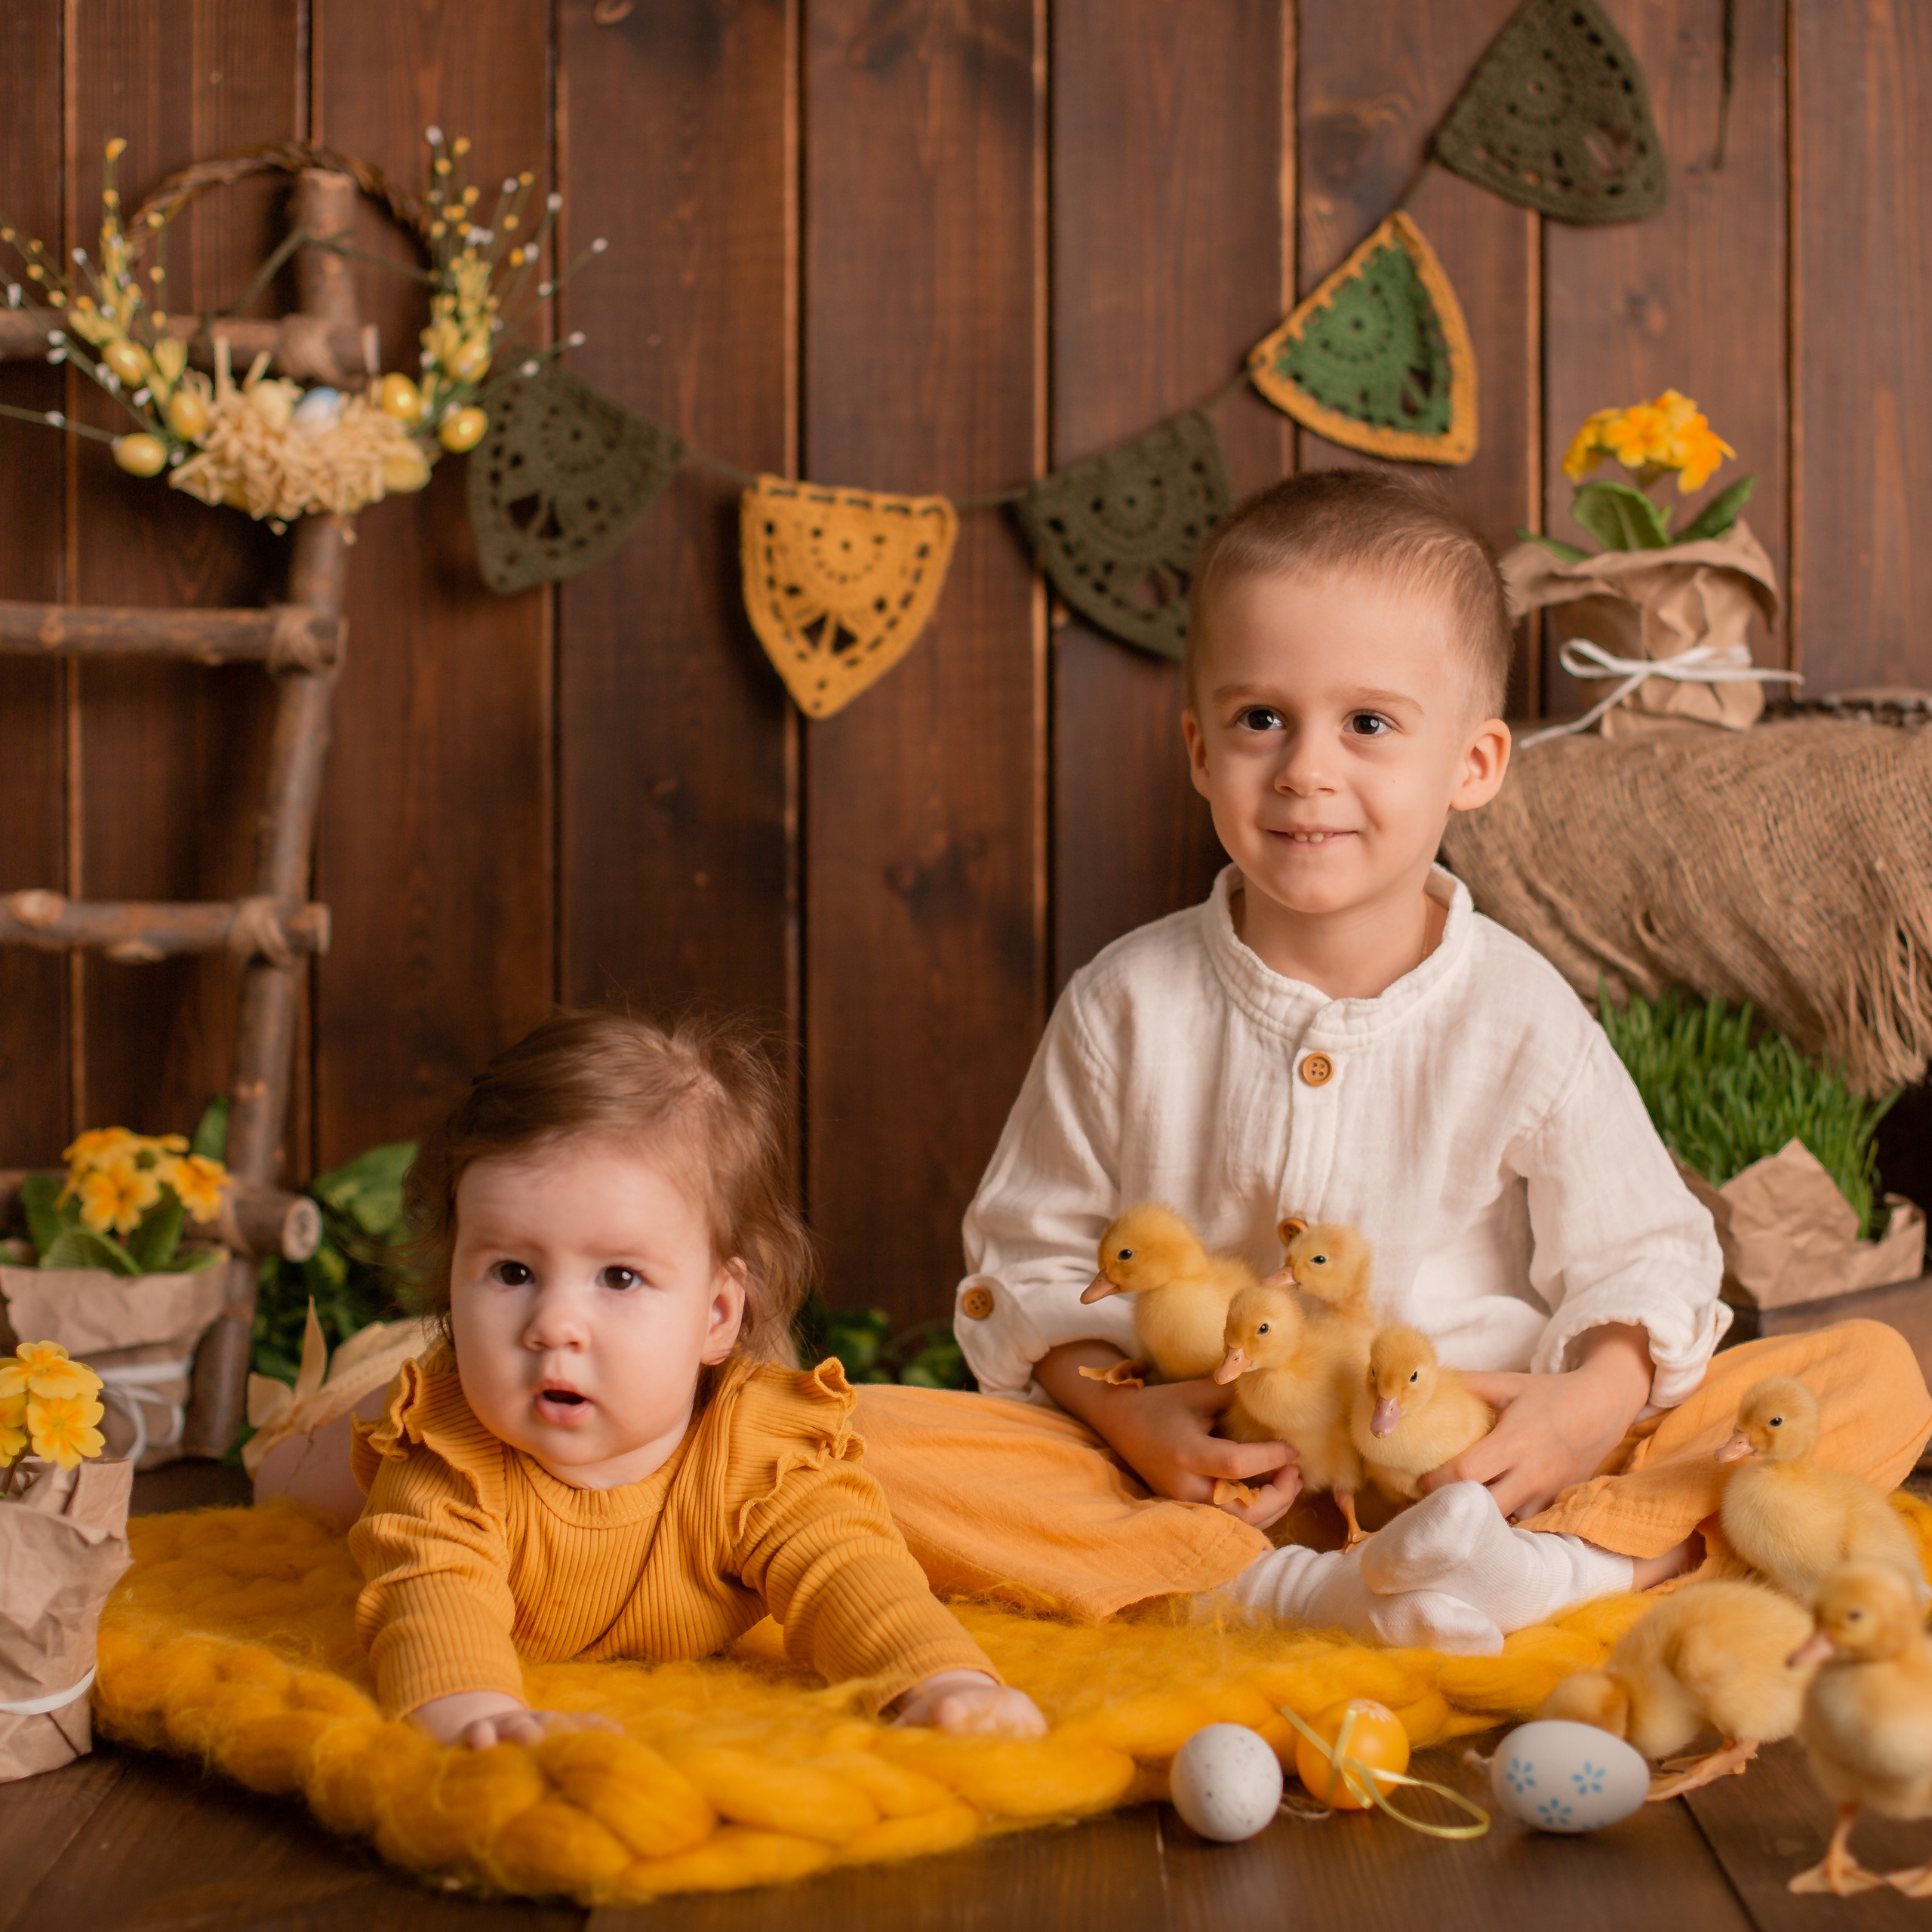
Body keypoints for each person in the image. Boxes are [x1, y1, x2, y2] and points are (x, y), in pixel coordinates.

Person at [849, 469, 1928, 1654]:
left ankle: (1561, 1567)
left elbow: (1645, 1254)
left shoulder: (1521, 1012)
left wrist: (1586, 1409)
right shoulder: (1126, 1005)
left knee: (1873, 1374)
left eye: (1367, 724)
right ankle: (1286, 1593)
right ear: (1200, 748)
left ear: (1474, 763)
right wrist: (1125, 1415)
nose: (1305, 769)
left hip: (1475, 1466)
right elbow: (1031, 1254)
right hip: (1216, 1480)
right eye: (1262, 720)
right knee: (850, 1447)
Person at [346, 1008, 1045, 1747]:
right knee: (306, 1466)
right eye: (512, 1272)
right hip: (372, 1405)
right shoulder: (444, 1456)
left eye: (619, 1276)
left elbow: (851, 1569)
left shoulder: (761, 1458)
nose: (553, 1324)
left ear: (716, 1314)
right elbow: (429, 1597)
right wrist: (475, 1715)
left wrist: (942, 1682)